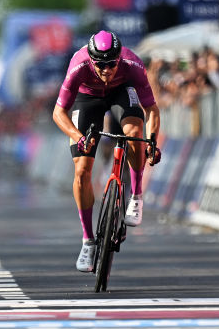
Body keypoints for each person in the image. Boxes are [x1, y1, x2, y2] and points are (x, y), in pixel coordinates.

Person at [52, 30, 161, 273]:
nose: (106, 69)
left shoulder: (132, 63)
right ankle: (87, 240)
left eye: (112, 63)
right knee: (81, 172)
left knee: (134, 133)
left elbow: (151, 109)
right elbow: (58, 113)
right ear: (91, 60)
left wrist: (151, 141)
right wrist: (78, 138)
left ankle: (136, 195)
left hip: (121, 93)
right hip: (87, 98)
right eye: (100, 64)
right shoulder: (78, 65)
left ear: (119, 59)